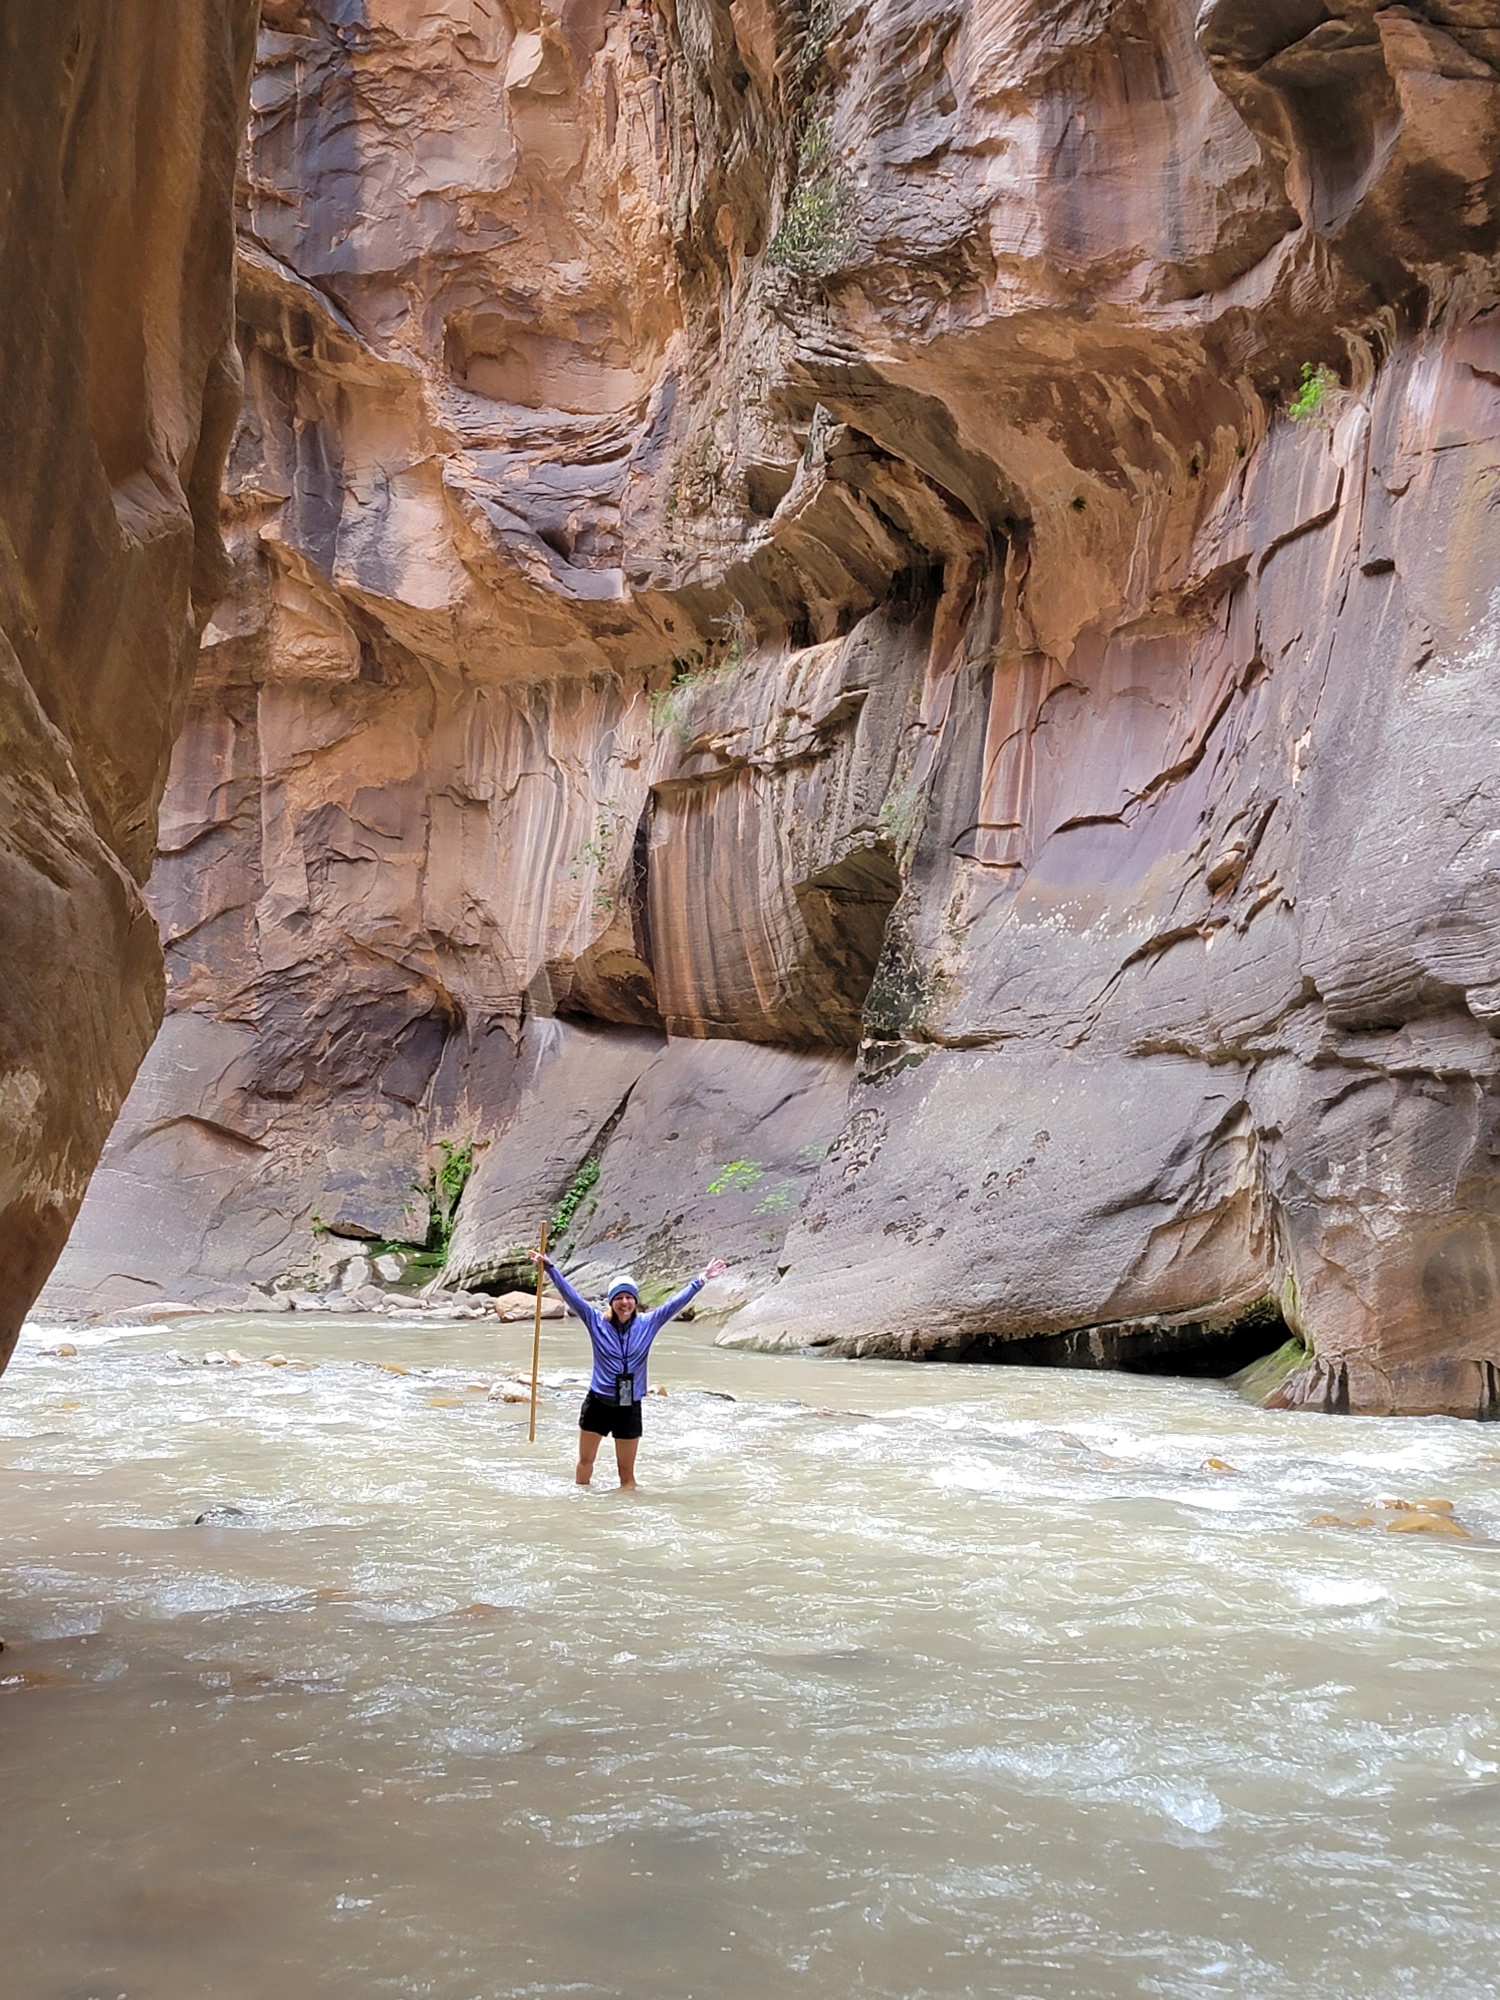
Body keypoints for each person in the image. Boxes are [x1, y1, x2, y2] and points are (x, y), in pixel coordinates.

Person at [531, 1253, 727, 1488]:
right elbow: (572, 1297)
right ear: (611, 1302)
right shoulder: (596, 1321)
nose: (624, 1302)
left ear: (635, 1301)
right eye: (619, 1298)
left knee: (627, 1473)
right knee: (586, 1461)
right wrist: (550, 1268)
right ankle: (581, 1507)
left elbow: (675, 1303)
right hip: (598, 1403)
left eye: (629, 1297)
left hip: (628, 1405)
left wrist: (702, 1279)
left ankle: (626, 1519)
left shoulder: (648, 1323)